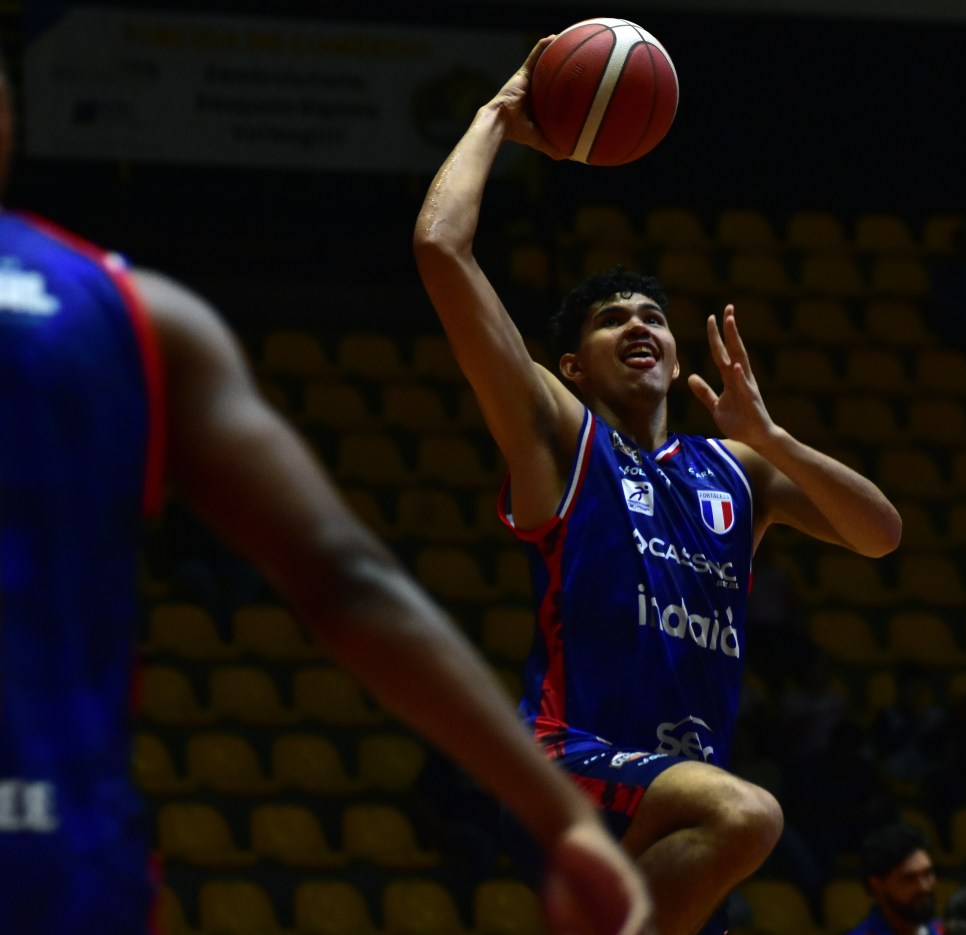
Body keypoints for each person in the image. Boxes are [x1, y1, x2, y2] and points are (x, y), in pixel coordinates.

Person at [0, 55, 652, 935]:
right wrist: (561, 817)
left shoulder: (723, 463)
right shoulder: (129, 315)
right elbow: (348, 579)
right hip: (54, 867)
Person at [413, 36, 902, 935]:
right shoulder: (562, 436)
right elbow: (442, 249)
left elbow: (880, 534)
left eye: (653, 316)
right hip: (572, 765)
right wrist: (497, 115)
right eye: (612, 320)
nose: (639, 325)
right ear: (573, 366)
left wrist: (772, 437)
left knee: (731, 824)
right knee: (750, 813)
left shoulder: (735, 470)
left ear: (677, 358)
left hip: (670, 808)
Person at [845, 822, 944, 935]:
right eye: (909, 879)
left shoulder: (943, 930)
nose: (923, 887)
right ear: (876, 885)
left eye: (927, 873)